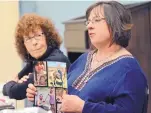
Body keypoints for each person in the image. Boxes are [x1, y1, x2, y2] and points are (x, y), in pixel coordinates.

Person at [26, 1, 148, 113]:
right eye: (88, 21)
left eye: (96, 20)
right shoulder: (84, 58)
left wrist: (83, 107)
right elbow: (61, 100)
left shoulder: (130, 71)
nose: (89, 26)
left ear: (115, 23)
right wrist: (40, 95)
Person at [2, 13, 70, 100]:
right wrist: (15, 83)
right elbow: (17, 82)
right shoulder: (36, 59)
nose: (34, 42)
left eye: (38, 35)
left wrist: (11, 83)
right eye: (28, 39)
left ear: (48, 37)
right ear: (24, 45)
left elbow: (16, 91)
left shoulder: (56, 61)